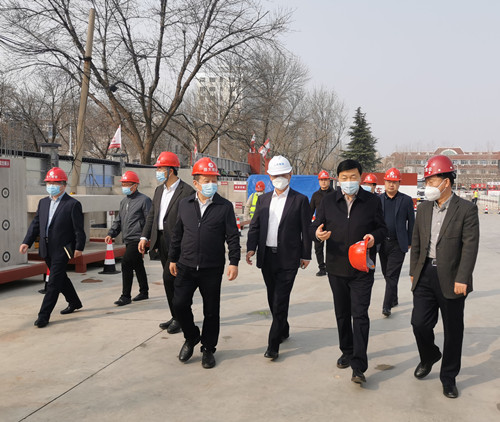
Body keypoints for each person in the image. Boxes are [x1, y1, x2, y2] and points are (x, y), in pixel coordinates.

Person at [410, 155, 479, 399]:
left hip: (452, 277)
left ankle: (448, 378)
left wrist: (463, 278)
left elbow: (470, 247)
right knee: (419, 323)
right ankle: (429, 355)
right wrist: (413, 271)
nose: (428, 185)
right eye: (427, 180)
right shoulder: (423, 208)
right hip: (425, 274)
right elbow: (417, 241)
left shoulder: (466, 209)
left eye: (431, 180)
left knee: (453, 330)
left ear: (446, 182)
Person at [311, 159, 386, 384]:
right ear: (338, 179)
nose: (349, 181)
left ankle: (359, 366)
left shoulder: (372, 201)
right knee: (342, 313)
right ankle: (346, 350)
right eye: (344, 178)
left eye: (353, 177)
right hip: (336, 266)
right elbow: (314, 225)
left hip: (362, 268)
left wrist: (373, 238)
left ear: (360, 177)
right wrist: (318, 234)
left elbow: (382, 229)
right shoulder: (328, 202)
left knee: (360, 315)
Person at [168, 157, 240, 369]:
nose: (211, 184)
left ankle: (208, 349)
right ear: (196, 183)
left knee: (211, 311)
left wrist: (233, 261)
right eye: (206, 181)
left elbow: (232, 236)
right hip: (186, 265)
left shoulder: (224, 207)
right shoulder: (184, 204)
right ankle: (191, 336)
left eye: (214, 180)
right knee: (179, 304)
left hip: (212, 267)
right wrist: (173, 258)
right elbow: (177, 234)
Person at [246, 155, 312, 360]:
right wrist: (251, 248)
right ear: (269, 176)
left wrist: (306, 254)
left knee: (280, 300)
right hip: (267, 256)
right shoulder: (263, 200)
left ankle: (273, 345)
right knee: (272, 297)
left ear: (290, 174)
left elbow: (306, 230)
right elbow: (255, 226)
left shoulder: (300, 200)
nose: (279, 178)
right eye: (275, 175)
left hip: (289, 258)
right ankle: (283, 327)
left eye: (283, 174)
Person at [19, 167, 86, 328]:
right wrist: (27, 242)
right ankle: (74, 302)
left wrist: (79, 247)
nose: (51, 186)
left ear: (63, 185)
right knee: (61, 278)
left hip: (62, 250)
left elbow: (79, 229)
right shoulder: (43, 202)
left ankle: (43, 316)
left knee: (53, 283)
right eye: (49, 183)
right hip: (46, 248)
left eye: (55, 183)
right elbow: (36, 224)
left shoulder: (72, 204)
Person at [139, 151, 194, 334]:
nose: (158, 172)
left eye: (161, 168)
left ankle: (181, 318)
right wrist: (144, 237)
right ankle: (175, 315)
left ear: (171, 170)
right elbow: (152, 215)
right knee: (169, 281)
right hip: (161, 240)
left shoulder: (187, 191)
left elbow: (189, 220)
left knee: (173, 279)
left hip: (178, 242)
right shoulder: (159, 190)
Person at [106, 171, 152, 306]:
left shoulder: (144, 200)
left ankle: (125, 296)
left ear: (135, 185)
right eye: (123, 184)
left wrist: (145, 238)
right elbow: (119, 220)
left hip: (138, 239)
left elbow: (149, 220)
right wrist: (111, 233)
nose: (124, 187)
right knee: (137, 265)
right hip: (127, 238)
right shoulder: (124, 201)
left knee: (126, 263)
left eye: (127, 184)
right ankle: (144, 291)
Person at [379, 168, 415, 317]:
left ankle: (386, 306)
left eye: (394, 182)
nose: (391, 185)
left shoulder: (406, 200)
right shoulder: (378, 199)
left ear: (399, 183)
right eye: (389, 181)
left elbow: (411, 222)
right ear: (385, 182)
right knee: (386, 273)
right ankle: (393, 298)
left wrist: (410, 240)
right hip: (382, 243)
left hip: (398, 243)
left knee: (392, 275)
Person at [310, 170, 333, 276]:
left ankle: (332, 267)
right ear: (319, 181)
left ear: (329, 180)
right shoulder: (315, 195)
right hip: (319, 225)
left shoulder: (335, 194)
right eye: (321, 180)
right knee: (318, 248)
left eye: (325, 180)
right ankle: (322, 267)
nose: (323, 182)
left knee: (333, 248)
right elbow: (310, 211)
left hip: (333, 224)